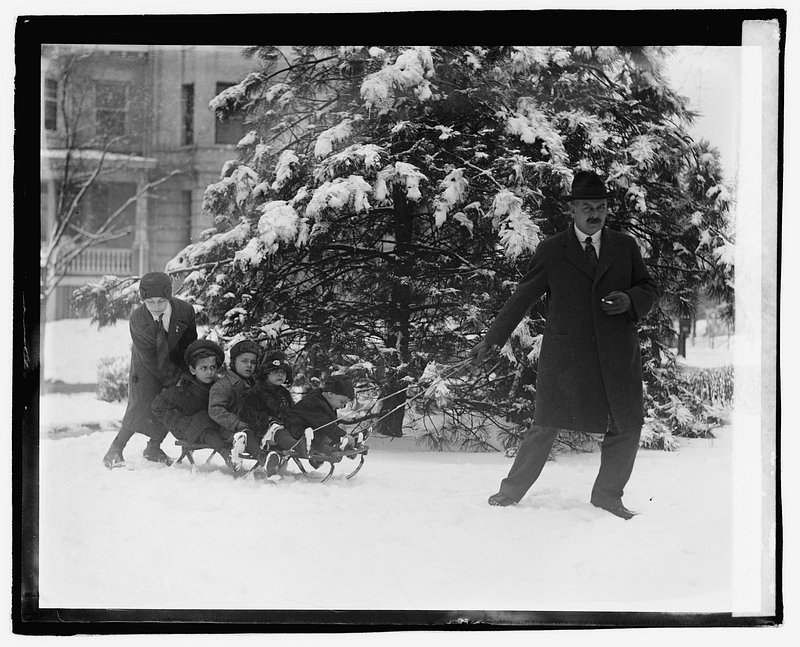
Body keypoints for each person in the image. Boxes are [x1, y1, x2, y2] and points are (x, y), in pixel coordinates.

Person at [470, 170, 658, 519]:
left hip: (616, 353)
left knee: (627, 424)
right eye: (587, 207)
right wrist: (492, 339)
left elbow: (647, 287)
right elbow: (522, 298)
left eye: (600, 207)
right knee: (545, 424)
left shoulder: (624, 246)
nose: (595, 214)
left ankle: (607, 497)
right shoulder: (553, 250)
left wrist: (630, 300)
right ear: (573, 210)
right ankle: (510, 491)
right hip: (568, 357)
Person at [103, 271, 198, 469]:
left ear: (169, 296)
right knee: (141, 404)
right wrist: (174, 378)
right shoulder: (137, 319)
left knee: (170, 402)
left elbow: (190, 345)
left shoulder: (185, 311)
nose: (156, 306)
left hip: (176, 362)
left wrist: (187, 372)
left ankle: (153, 448)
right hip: (146, 365)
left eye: (161, 301)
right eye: (150, 302)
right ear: (143, 299)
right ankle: (115, 449)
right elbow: (151, 357)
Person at [150, 339, 239, 471]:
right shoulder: (183, 389)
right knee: (202, 419)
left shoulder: (217, 387)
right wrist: (179, 422)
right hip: (189, 430)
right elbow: (158, 405)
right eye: (204, 368)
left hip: (213, 426)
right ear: (192, 369)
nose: (209, 372)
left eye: (212, 367)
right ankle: (228, 455)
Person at [279, 374, 360, 466]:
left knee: (325, 437)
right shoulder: (314, 403)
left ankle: (343, 446)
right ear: (330, 394)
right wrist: (342, 435)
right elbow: (326, 425)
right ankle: (339, 446)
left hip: (311, 431)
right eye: (342, 402)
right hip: (296, 430)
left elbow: (329, 425)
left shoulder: (327, 403)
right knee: (322, 438)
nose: (342, 406)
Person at [207, 339, 261, 473]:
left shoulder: (254, 384)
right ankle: (263, 459)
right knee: (246, 434)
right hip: (229, 430)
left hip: (252, 425)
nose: (249, 365)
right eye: (244, 361)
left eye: (253, 362)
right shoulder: (223, 385)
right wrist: (236, 423)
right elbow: (215, 409)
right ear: (234, 361)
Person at [238, 350, 295, 478]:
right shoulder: (256, 392)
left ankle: (273, 463)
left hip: (280, 433)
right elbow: (246, 413)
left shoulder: (284, 394)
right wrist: (267, 419)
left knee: (287, 430)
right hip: (260, 433)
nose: (280, 375)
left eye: (283, 372)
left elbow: (291, 412)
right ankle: (294, 446)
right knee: (277, 431)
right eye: (275, 371)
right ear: (265, 373)